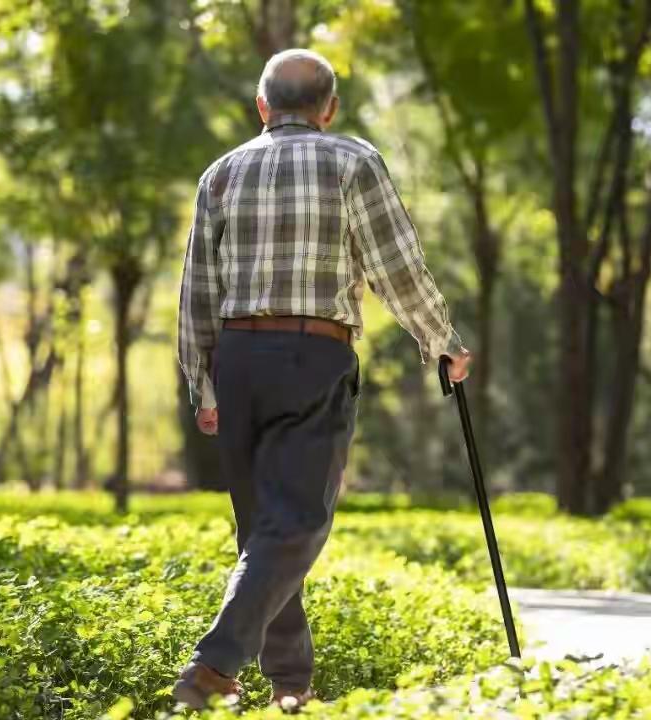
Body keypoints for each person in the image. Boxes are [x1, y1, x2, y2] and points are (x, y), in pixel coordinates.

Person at [173, 48, 471, 711]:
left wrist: (202, 382)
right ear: (329, 109)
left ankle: (289, 683)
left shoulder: (218, 175)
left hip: (239, 360)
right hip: (313, 354)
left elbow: (197, 287)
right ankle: (215, 665)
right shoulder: (352, 161)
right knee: (297, 522)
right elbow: (397, 267)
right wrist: (442, 341)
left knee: (264, 533)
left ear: (261, 106)